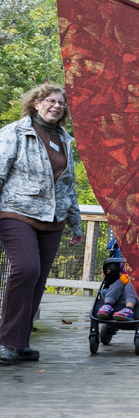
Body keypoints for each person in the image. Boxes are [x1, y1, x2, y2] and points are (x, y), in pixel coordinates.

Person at [0, 82, 83, 365]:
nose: (56, 106)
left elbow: (68, 187)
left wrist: (76, 224)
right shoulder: (14, 133)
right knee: (26, 269)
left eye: (61, 103)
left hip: (53, 219)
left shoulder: (65, 140)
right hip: (16, 211)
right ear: (35, 103)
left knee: (37, 280)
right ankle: (7, 342)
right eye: (50, 100)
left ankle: (19, 344)